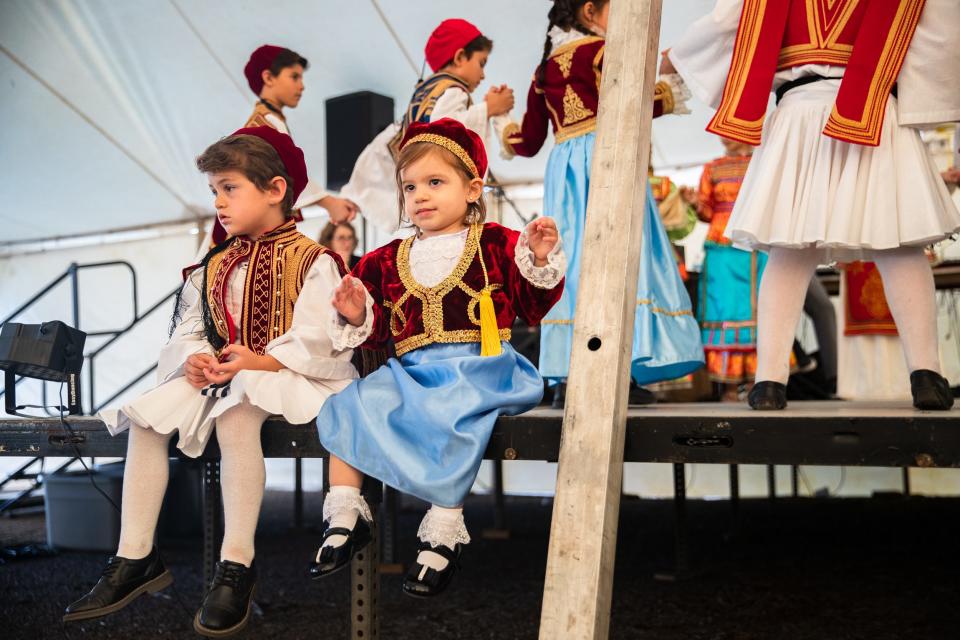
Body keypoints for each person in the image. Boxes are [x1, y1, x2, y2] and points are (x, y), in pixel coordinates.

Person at [64, 127, 358, 636]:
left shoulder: (314, 261)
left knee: (238, 416)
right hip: (227, 374)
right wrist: (197, 359)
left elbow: (320, 340)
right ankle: (135, 555)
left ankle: (236, 566)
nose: (219, 202)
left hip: (290, 376)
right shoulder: (214, 264)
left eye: (229, 188)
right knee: (147, 419)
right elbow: (188, 329)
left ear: (275, 189)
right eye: (214, 191)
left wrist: (257, 362)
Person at [311, 119, 566, 598]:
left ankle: (443, 530)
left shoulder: (497, 244)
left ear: (472, 189)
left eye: (435, 182)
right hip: (411, 370)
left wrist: (538, 257)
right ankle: (344, 513)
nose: (420, 196)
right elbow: (377, 333)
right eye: (410, 186)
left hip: (479, 365)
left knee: (460, 412)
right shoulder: (384, 259)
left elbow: (531, 306)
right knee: (350, 403)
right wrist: (354, 312)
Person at [666, 0, 960, 410]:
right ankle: (928, 376)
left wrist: (675, 59)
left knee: (789, 249)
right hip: (874, 108)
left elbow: (727, 21)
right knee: (899, 246)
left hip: (798, 115)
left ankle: (768, 382)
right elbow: (941, 28)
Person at [501, 0, 704, 404]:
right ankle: (621, 374)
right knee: (623, 257)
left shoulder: (542, 71)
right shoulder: (602, 52)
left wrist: (500, 126)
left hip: (564, 172)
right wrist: (670, 83)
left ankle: (565, 379)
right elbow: (638, 103)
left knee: (571, 263)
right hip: (609, 159)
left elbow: (527, 142)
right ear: (590, 11)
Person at [339, 19, 516, 232]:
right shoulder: (453, 90)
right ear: (460, 57)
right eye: (481, 63)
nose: (483, 74)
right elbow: (447, 131)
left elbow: (385, 143)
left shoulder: (423, 94)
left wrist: (355, 191)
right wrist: (488, 109)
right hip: (437, 190)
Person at [203, 45, 359, 251]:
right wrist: (329, 202)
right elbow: (284, 174)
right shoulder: (265, 123)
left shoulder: (267, 120)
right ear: (268, 78)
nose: (301, 86)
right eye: (294, 77)